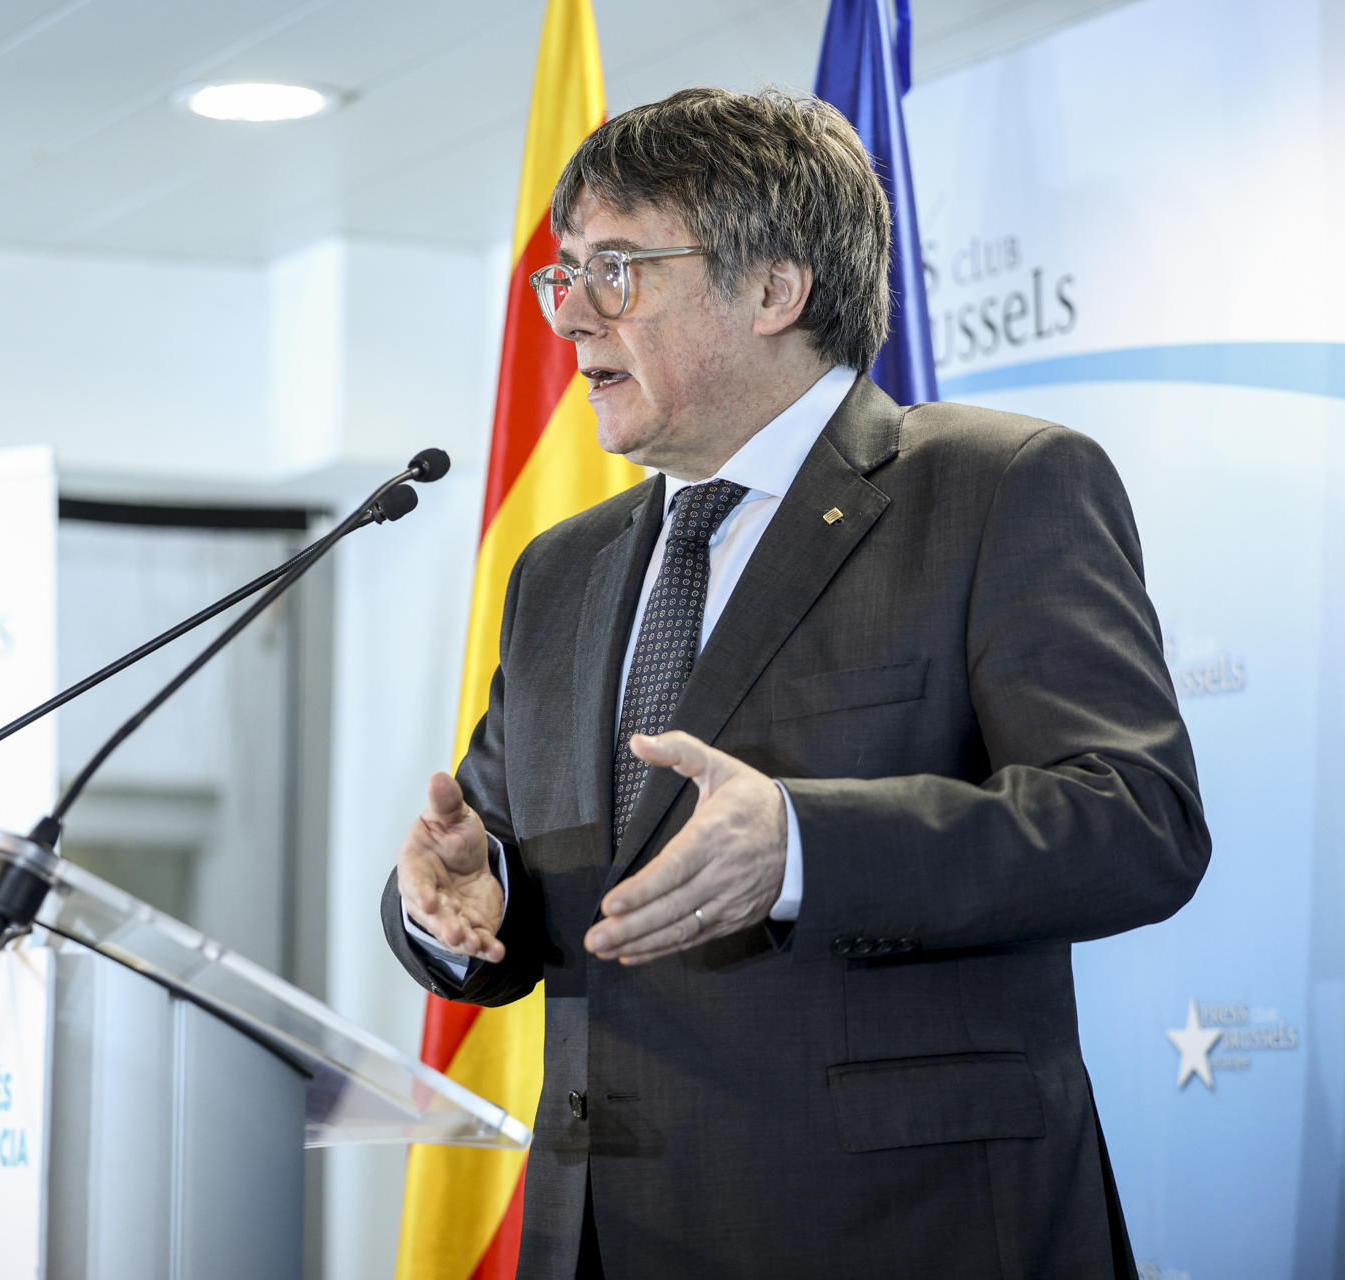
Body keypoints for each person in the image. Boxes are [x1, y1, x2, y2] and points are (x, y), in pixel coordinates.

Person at [380, 87, 1209, 1280]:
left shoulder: (997, 489)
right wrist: (462, 893)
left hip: (902, 1226)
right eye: (564, 276)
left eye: (618, 271)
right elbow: (509, 868)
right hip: (605, 1230)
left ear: (775, 287)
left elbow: (1139, 823)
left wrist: (803, 844)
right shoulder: (560, 569)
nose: (572, 317)